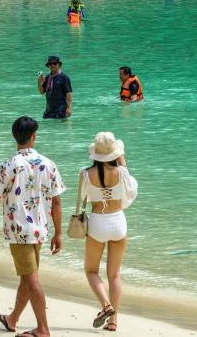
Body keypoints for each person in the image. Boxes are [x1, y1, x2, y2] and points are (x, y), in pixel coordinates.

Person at [0, 115, 64, 337]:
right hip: (41, 230)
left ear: (14, 137)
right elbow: (56, 201)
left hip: (18, 231)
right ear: (34, 137)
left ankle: (43, 329)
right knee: (28, 276)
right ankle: (12, 319)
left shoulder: (9, 164)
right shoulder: (49, 164)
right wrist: (59, 233)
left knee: (30, 278)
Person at [79, 132, 138, 332]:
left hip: (97, 223)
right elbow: (131, 192)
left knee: (91, 271)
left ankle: (106, 306)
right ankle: (113, 322)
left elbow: (83, 197)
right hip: (118, 221)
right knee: (114, 275)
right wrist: (123, 162)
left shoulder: (85, 173)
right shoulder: (121, 172)